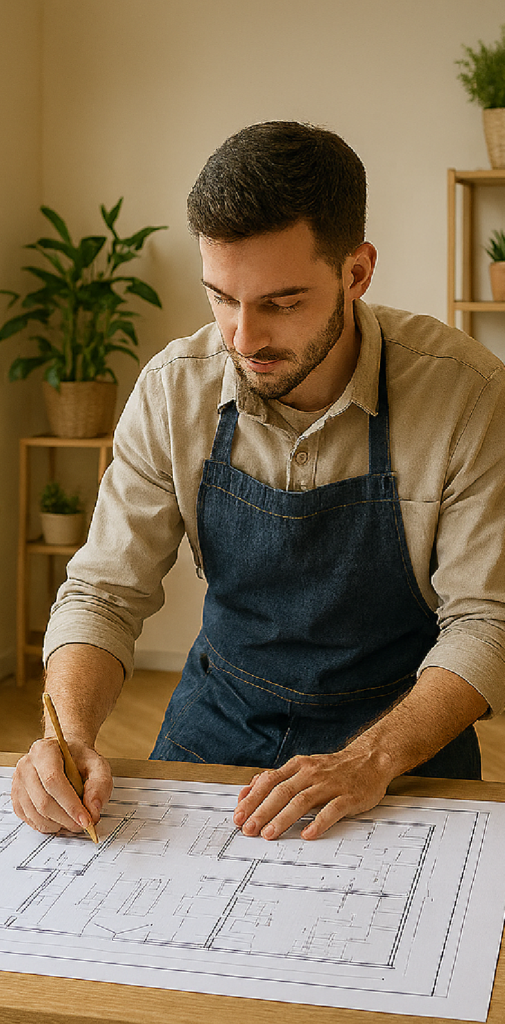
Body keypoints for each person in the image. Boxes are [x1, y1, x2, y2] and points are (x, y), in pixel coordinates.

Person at [11, 121, 505, 845]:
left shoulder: (465, 394)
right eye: (220, 298)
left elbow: (486, 621)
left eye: (281, 302)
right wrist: (68, 731)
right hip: (219, 716)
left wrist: (369, 758)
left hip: (395, 743)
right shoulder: (172, 390)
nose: (242, 340)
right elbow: (103, 591)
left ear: (356, 272)